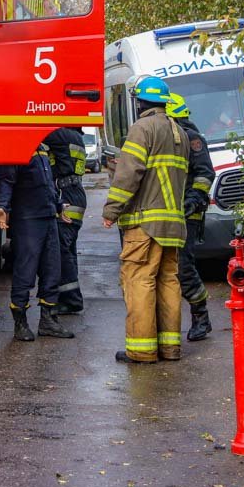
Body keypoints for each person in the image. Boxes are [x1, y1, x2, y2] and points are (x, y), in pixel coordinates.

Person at [102, 76, 189, 364]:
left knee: (139, 281)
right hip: (173, 225)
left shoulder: (142, 129)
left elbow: (129, 174)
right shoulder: (179, 132)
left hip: (145, 225)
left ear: (139, 102)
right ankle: (170, 347)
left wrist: (111, 210)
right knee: (168, 283)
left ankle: (141, 350)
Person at [0, 144, 75, 342]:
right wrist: (1, 207)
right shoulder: (15, 147)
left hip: (48, 218)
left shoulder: (42, 150)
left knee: (52, 270)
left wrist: (58, 206)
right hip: (28, 220)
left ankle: (48, 321)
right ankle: (20, 324)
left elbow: (48, 185)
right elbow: (6, 181)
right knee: (25, 272)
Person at [165, 93, 216, 341]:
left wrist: (193, 198)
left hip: (189, 214)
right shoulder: (171, 137)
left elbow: (206, 173)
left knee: (184, 267)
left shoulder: (192, 138)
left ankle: (201, 317)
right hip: (170, 213)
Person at [43, 126, 88, 315]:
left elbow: (38, 131)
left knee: (62, 248)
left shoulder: (62, 134)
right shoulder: (75, 135)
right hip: (73, 193)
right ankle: (67, 297)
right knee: (67, 248)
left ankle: (72, 299)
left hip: (67, 196)